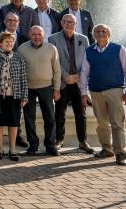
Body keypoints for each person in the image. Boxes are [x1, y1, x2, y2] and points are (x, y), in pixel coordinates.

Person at [80, 24, 126, 166]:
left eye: (103, 31)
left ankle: (120, 153)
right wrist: (83, 93)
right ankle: (106, 148)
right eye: (97, 31)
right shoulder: (89, 51)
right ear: (94, 35)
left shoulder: (118, 49)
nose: (100, 33)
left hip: (115, 91)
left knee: (117, 123)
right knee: (102, 123)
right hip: (96, 92)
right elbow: (85, 73)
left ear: (108, 34)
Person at [48, 14, 94, 153]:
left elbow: (87, 60)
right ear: (61, 23)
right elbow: (53, 61)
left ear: (75, 24)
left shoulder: (83, 39)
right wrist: (66, 76)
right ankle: (59, 140)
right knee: (59, 112)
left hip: (79, 82)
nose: (68, 24)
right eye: (66, 21)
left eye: (71, 22)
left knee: (81, 112)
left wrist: (80, 76)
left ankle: (82, 141)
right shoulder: (53, 38)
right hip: (62, 81)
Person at [18, 26, 61, 156]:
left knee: (50, 117)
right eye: (34, 34)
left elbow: (57, 70)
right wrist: (20, 91)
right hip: (28, 88)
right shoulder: (22, 49)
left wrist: (57, 88)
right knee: (29, 117)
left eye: (39, 34)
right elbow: (19, 71)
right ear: (30, 35)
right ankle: (33, 144)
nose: (36, 37)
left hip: (46, 87)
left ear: (43, 35)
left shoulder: (51, 48)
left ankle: (50, 145)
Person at [0, 31, 27, 161]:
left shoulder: (18, 57)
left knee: (14, 123)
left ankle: (12, 149)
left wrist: (24, 96)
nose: (9, 44)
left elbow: (23, 78)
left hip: (14, 95)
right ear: (0, 43)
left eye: (11, 42)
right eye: (7, 41)